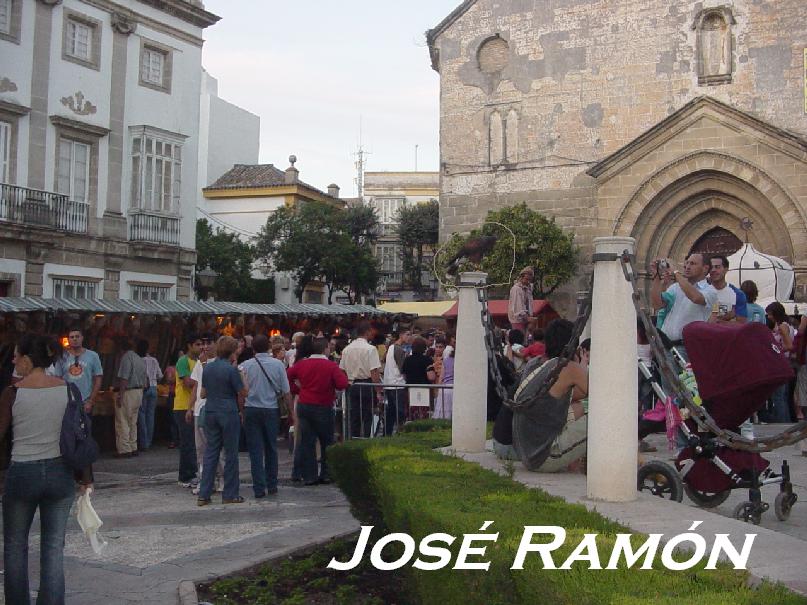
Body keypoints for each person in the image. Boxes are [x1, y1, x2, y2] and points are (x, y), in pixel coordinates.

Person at [1, 335, 92, 604]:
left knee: (15, 546)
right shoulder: (67, 389)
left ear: (28, 359)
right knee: (53, 547)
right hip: (59, 472)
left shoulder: (13, 392)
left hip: (22, 472)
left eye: (17, 356)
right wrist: (86, 478)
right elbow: (80, 435)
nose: (14, 361)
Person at [494, 319, 589, 472]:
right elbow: (602, 395)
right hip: (542, 458)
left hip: (525, 452)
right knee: (603, 420)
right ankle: (632, 462)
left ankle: (576, 462)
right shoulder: (568, 367)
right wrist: (580, 364)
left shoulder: (540, 363)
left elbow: (573, 396)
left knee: (578, 409)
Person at [287, 337, 349, 485]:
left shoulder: (302, 364)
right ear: (325, 348)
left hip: (304, 404)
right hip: (323, 404)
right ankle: (326, 474)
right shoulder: (331, 366)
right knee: (326, 441)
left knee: (307, 441)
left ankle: (309, 476)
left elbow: (288, 375)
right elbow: (342, 384)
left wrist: (297, 389)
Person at [198, 336, 248, 505]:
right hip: (228, 411)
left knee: (211, 453)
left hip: (211, 411)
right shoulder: (231, 370)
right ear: (232, 352)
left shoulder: (208, 368)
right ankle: (230, 493)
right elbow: (243, 392)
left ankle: (204, 494)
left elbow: (202, 394)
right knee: (231, 454)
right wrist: (243, 377)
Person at [240, 335, 290, 498]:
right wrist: (291, 412)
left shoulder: (245, 366)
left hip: (251, 408)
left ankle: (259, 488)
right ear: (269, 347)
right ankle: (272, 484)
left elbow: (240, 392)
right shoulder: (278, 365)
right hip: (270, 409)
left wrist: (241, 411)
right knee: (271, 448)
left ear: (253, 349)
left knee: (255, 450)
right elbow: (286, 391)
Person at [651, 252, 718, 357]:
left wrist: (676, 272)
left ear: (705, 268)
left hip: (688, 348)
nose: (687, 266)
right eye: (686, 263)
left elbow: (695, 297)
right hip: (666, 346)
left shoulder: (710, 291)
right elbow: (657, 304)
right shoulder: (676, 287)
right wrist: (657, 277)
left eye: (692, 264)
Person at [187, 334, 222, 495]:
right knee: (200, 448)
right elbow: (195, 386)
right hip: (199, 409)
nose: (205, 347)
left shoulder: (219, 363)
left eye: (209, 343)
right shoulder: (199, 363)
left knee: (215, 447)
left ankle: (220, 478)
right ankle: (204, 479)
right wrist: (190, 407)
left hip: (213, 408)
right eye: (203, 343)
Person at [340, 322, 382, 438]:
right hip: (367, 385)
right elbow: (374, 372)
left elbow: (342, 370)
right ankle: (366, 439)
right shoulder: (370, 349)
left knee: (354, 416)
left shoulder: (346, 349)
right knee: (368, 415)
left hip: (352, 385)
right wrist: (378, 390)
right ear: (367, 331)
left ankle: (354, 439)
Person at [54, 325, 102, 414]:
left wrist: (91, 401)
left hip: (85, 401)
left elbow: (98, 379)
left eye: (77, 336)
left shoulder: (93, 356)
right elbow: (57, 379)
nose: (75, 339)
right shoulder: (62, 357)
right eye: (72, 337)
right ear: (68, 339)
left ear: (82, 338)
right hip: (67, 401)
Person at [174, 335, 202, 487]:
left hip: (194, 406)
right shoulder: (183, 361)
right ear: (189, 346)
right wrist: (200, 382)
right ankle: (185, 476)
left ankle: (192, 472)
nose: (200, 347)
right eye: (197, 344)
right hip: (183, 406)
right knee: (187, 442)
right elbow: (187, 382)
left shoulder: (198, 362)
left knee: (194, 442)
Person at [115, 337, 147, 457]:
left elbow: (124, 377)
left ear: (121, 348)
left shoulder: (126, 358)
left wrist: (120, 394)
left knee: (123, 420)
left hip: (128, 392)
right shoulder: (139, 358)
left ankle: (124, 449)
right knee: (133, 421)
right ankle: (133, 446)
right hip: (139, 392)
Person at [765, 302, 795, 423]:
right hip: (785, 363)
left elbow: (789, 346)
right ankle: (785, 422)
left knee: (779, 396)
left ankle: (783, 423)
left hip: (781, 363)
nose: (768, 317)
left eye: (769, 314)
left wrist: (776, 350)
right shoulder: (786, 325)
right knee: (782, 396)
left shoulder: (782, 327)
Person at [382, 330, 410, 436]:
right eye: (407, 334)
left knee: (391, 412)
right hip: (397, 384)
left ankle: (387, 433)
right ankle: (400, 433)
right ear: (401, 335)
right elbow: (402, 368)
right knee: (400, 412)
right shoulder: (398, 350)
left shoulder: (391, 347)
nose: (409, 337)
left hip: (389, 383)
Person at [402, 336, 436, 421]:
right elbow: (431, 377)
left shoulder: (407, 360)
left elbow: (404, 375)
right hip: (423, 390)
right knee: (423, 415)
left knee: (411, 414)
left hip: (409, 390)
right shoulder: (427, 360)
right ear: (424, 348)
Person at [137, 340, 162, 451]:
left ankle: (144, 442)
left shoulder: (138, 360)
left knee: (141, 414)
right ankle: (149, 441)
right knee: (150, 415)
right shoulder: (154, 360)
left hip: (143, 388)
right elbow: (160, 375)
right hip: (154, 387)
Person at [707, 255, 747, 323]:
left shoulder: (738, 294)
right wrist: (728, 317)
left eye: (717, 267)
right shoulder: (702, 292)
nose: (713, 270)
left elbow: (741, 323)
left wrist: (717, 320)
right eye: (711, 267)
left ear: (726, 269)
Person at [508, 267, 534, 332]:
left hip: (525, 320)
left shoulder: (528, 289)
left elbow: (529, 305)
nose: (528, 282)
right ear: (521, 277)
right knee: (519, 340)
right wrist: (527, 318)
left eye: (530, 280)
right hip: (517, 320)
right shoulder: (516, 289)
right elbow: (518, 307)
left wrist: (530, 317)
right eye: (526, 279)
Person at [434, 343, 454, 420]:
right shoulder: (457, 361)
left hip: (444, 388)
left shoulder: (445, 361)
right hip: (453, 388)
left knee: (443, 411)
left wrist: (438, 389)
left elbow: (441, 377)